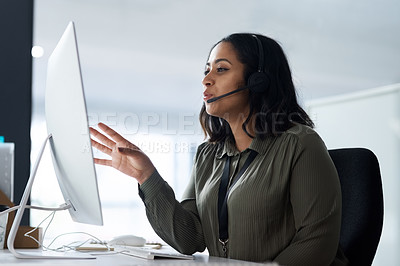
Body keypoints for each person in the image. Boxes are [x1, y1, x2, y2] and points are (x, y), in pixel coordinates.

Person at [90, 33, 348, 265]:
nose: (206, 80)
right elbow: (189, 239)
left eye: (221, 69)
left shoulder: (300, 143)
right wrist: (146, 176)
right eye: (206, 70)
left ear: (258, 80)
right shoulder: (207, 154)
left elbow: (317, 242)